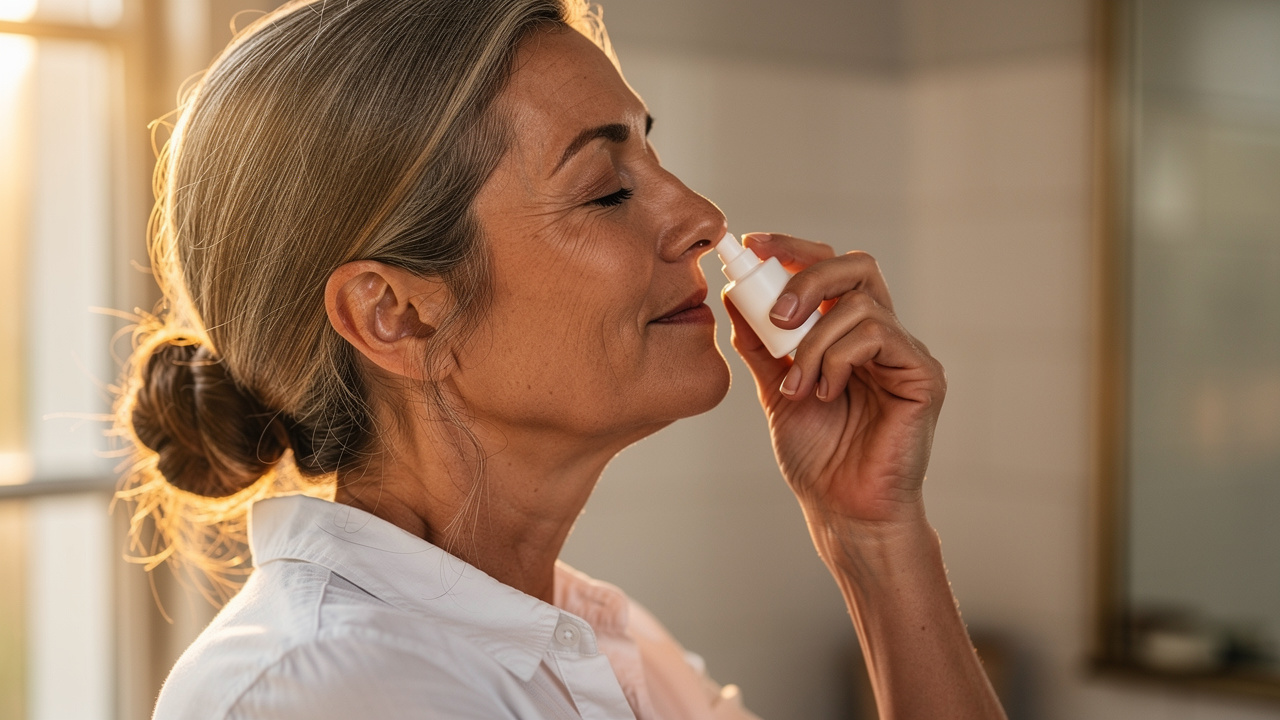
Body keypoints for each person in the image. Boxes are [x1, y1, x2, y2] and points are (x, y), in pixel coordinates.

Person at [120, 0, 1007, 718]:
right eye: (607, 190)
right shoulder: (324, 692)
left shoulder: (608, 646)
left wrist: (873, 537)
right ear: (395, 316)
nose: (702, 218)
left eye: (652, 154)